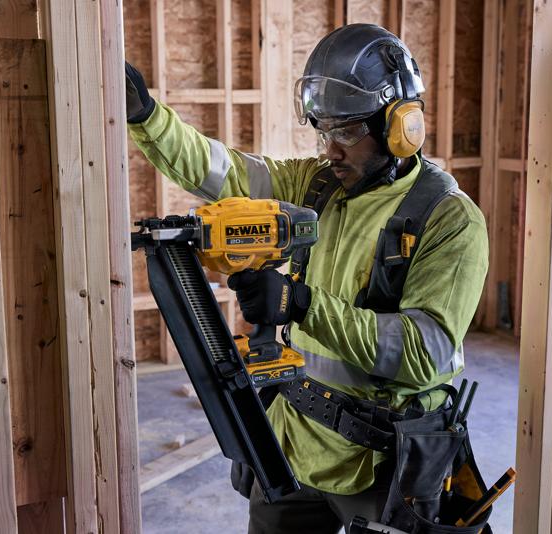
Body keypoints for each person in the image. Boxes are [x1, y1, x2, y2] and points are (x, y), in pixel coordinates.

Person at [126, 23, 488, 534]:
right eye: (323, 131)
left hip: (383, 461)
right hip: (295, 439)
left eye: (345, 131)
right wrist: (147, 118)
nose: (330, 149)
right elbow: (223, 173)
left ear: (402, 124)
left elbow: (423, 351)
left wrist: (299, 304)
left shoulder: (449, 219)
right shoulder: (318, 185)